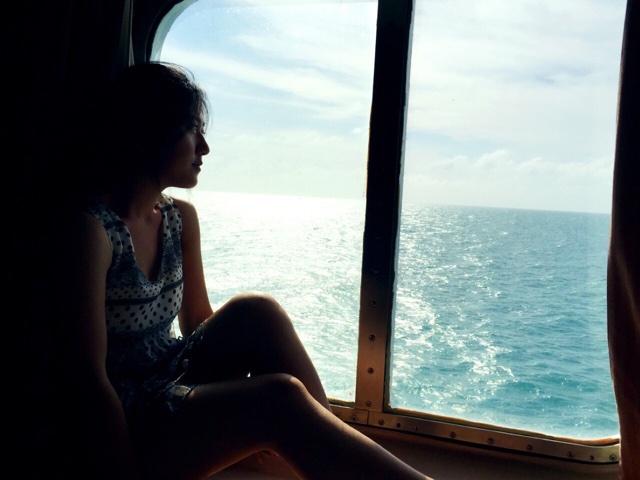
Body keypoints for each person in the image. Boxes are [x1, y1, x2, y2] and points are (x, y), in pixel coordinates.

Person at [67, 61, 431, 480]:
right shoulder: (91, 231)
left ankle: (329, 450)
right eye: (191, 130)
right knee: (278, 399)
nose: (204, 147)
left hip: (169, 376)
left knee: (257, 311)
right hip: (129, 413)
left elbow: (197, 322)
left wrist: (228, 420)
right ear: (148, 133)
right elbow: (87, 378)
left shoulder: (178, 218)